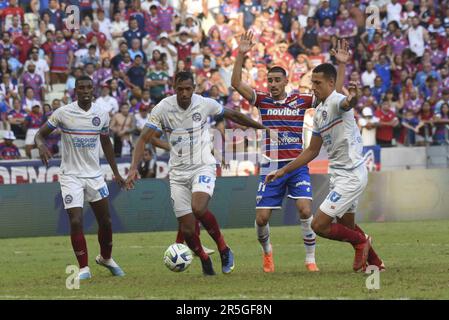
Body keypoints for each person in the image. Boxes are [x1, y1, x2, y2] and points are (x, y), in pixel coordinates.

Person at [127, 71, 267, 275]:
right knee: (188, 230)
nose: (184, 93)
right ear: (174, 88)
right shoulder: (163, 108)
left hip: (203, 166)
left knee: (199, 208)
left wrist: (260, 127)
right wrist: (133, 168)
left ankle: (224, 249)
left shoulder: (203, 103)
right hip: (178, 173)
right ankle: (203, 258)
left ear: (194, 88)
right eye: (180, 89)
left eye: (188, 89)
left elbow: (234, 115)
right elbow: (143, 139)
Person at [265, 40, 384, 273]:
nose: (313, 88)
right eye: (312, 84)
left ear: (329, 83)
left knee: (319, 225)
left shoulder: (338, 102)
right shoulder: (319, 113)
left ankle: (362, 242)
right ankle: (376, 263)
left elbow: (347, 101)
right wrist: (282, 170)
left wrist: (345, 75)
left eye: (317, 84)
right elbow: (310, 151)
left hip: (351, 175)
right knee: (347, 224)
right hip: (339, 175)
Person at [231, 31, 319, 273]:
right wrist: (241, 53)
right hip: (270, 165)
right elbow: (236, 83)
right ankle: (267, 252)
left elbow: (329, 97)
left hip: (297, 164)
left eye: (276, 80)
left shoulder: (301, 100)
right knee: (261, 219)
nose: (272, 84)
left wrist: (340, 68)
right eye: (269, 80)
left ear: (285, 81)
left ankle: (310, 259)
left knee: (305, 209)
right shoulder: (262, 100)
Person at [34, 76, 128, 281]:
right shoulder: (63, 113)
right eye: (81, 88)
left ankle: (106, 258)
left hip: (95, 175)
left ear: (93, 90)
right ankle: (84, 267)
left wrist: (117, 173)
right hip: (71, 176)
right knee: (76, 221)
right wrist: (41, 145)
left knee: (106, 222)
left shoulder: (101, 114)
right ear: (75, 90)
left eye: (88, 87)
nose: (85, 91)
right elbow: (39, 135)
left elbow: (106, 144)